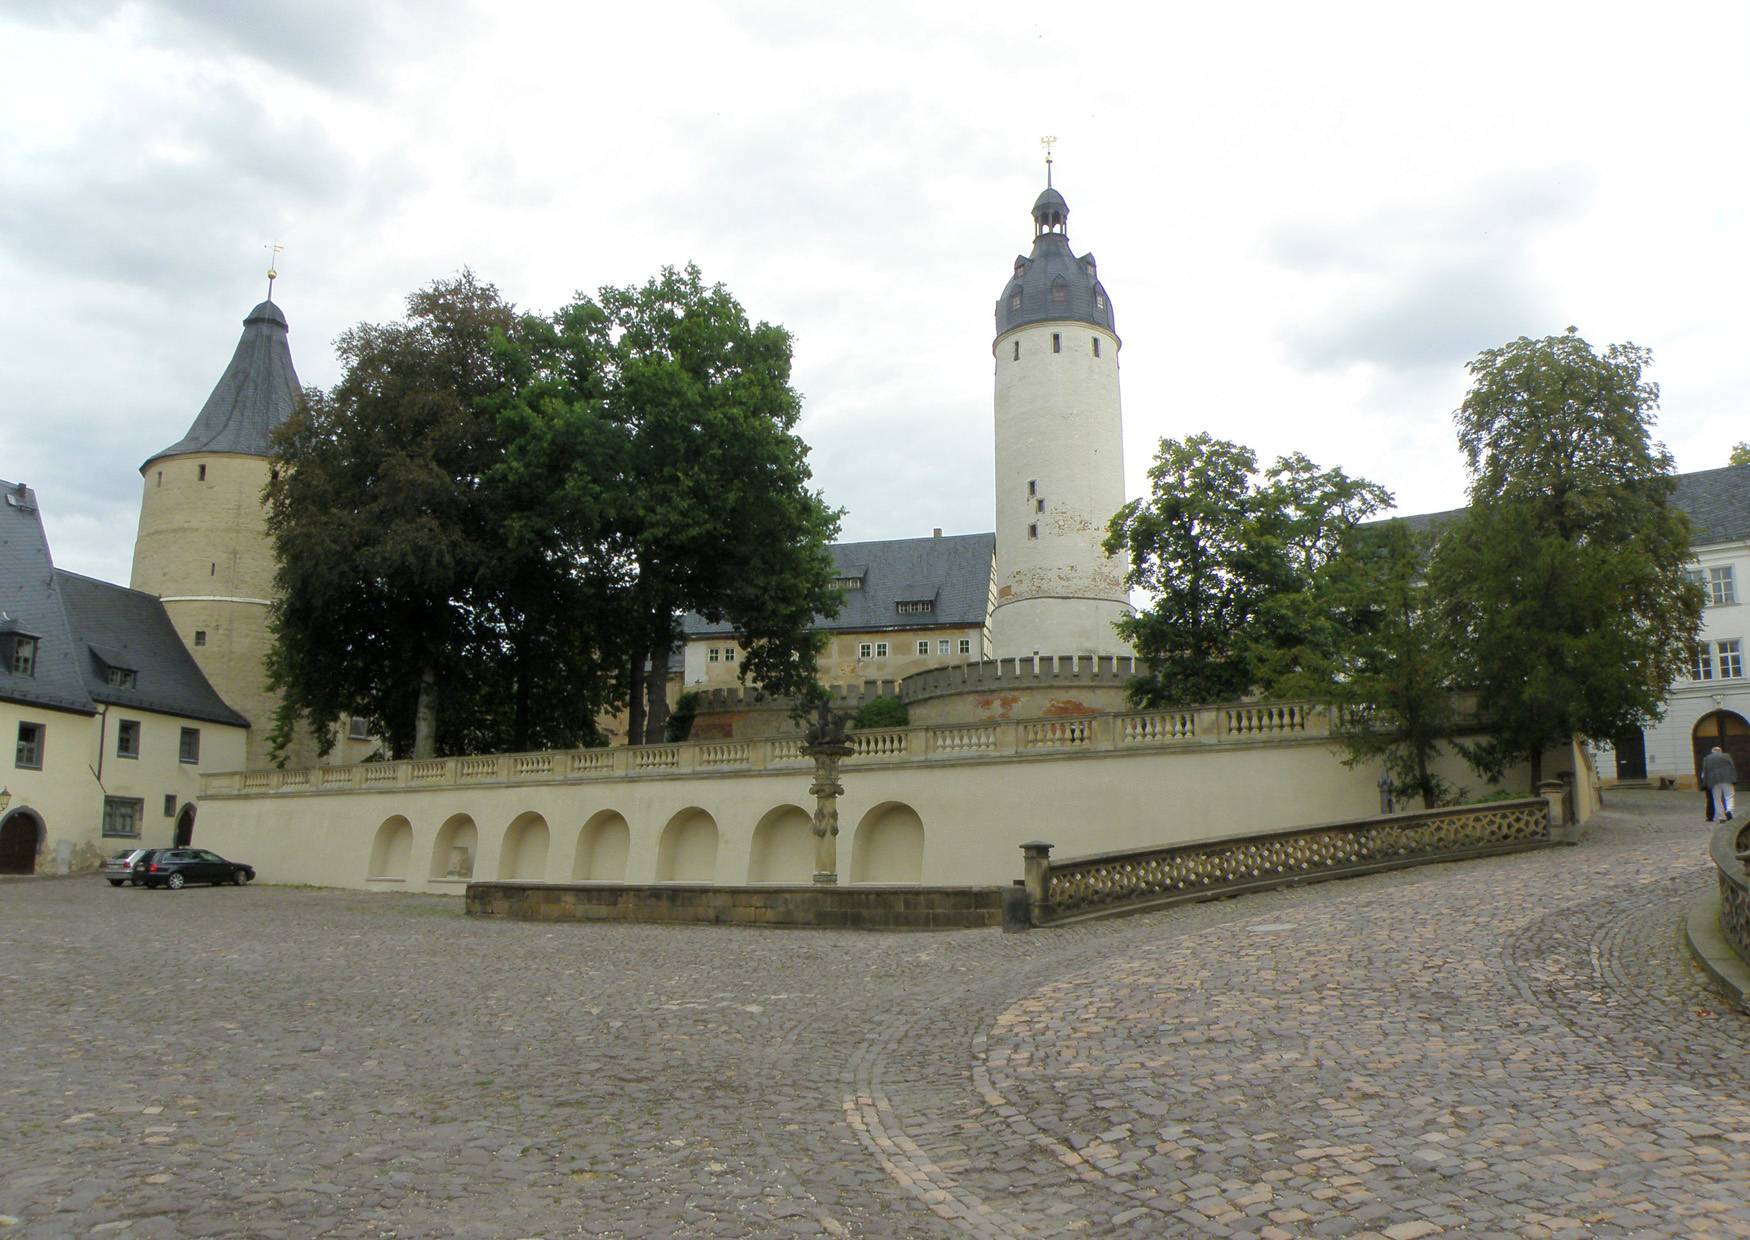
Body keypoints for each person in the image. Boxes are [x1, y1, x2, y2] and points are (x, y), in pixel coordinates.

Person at [1701, 745, 1737, 822]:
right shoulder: (1727, 756)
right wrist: (1734, 779)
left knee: (1716, 799)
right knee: (1729, 796)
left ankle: (1722, 817)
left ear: (1712, 752)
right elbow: (1732, 767)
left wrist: (1705, 784)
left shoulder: (1707, 758)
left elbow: (1705, 772)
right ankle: (1729, 811)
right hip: (1727, 779)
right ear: (1720, 751)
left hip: (1713, 781)